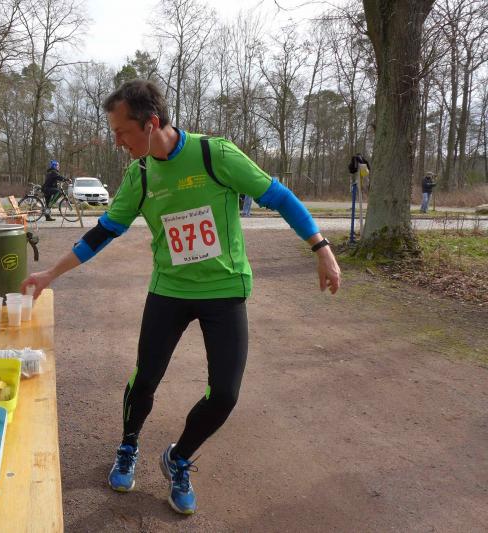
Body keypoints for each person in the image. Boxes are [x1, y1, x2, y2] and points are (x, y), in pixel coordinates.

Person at [20, 80, 341, 515]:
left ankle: (179, 457)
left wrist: (321, 248)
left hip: (224, 291)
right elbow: (103, 232)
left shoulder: (214, 155)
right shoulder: (140, 175)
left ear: (151, 124)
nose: (117, 142)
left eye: (122, 132)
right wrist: (50, 274)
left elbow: (279, 197)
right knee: (145, 379)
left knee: (225, 394)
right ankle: (128, 445)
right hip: (169, 292)